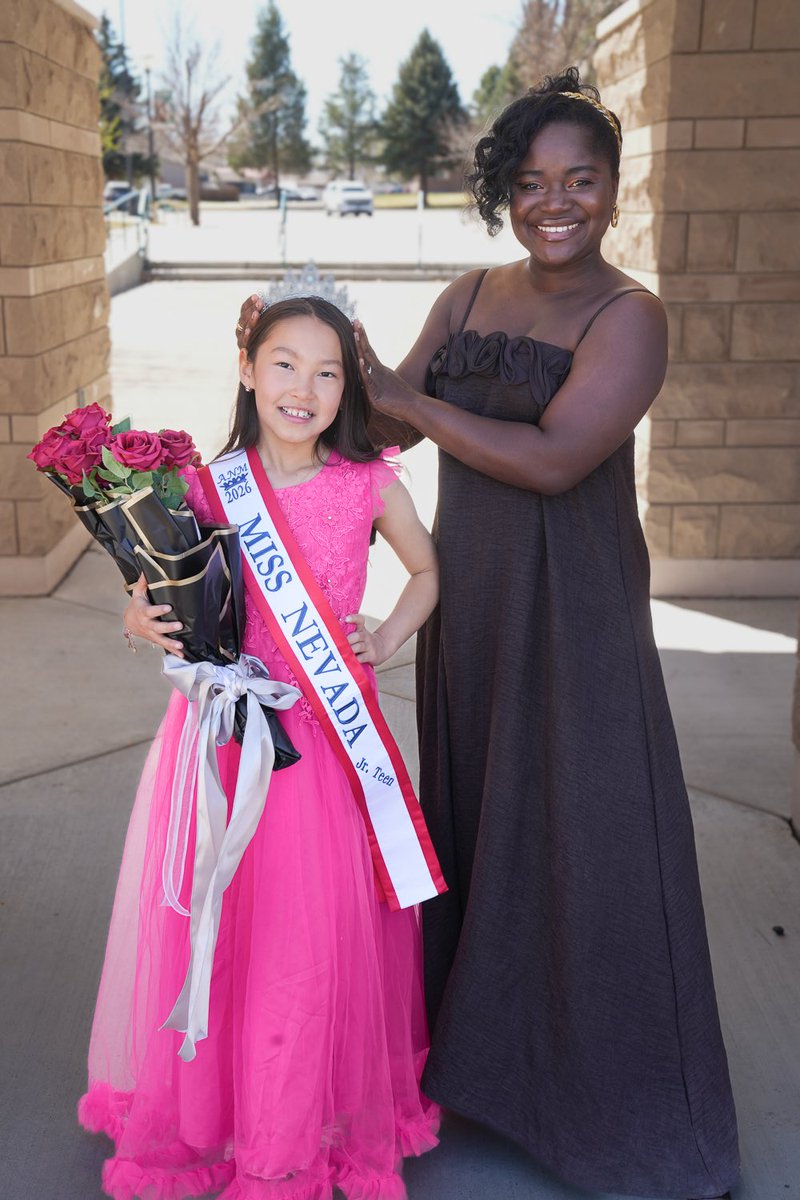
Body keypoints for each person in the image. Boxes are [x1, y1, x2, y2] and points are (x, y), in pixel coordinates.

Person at [238, 67, 740, 1200]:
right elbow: (380, 418)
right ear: (501, 192)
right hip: (475, 619)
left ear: (613, 192)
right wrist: (304, 352)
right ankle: (486, 1077)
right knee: (485, 830)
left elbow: (554, 459)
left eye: (578, 180)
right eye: (528, 182)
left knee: (587, 844)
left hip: (576, 623)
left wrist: (408, 404)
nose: (552, 201)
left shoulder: (630, 317)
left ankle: (614, 1117)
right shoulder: (466, 294)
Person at [78, 296, 441, 1200]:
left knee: (303, 948)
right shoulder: (206, 486)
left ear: (347, 387)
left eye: (328, 372)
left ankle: (288, 1126)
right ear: (248, 370)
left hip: (320, 749)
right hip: (222, 748)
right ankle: (215, 1116)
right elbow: (157, 588)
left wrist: (387, 635)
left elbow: (430, 571)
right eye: (285, 364)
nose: (304, 388)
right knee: (220, 931)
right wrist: (139, 618)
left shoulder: (370, 481)